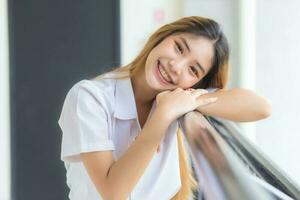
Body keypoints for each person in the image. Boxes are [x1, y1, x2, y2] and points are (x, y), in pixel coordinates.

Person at [58, 16, 271, 200]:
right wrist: (161, 117)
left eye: (193, 70)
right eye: (179, 47)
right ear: (163, 36)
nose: (176, 66)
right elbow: (114, 193)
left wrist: (191, 99)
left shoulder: (179, 98)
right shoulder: (90, 98)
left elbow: (261, 107)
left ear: (194, 84)